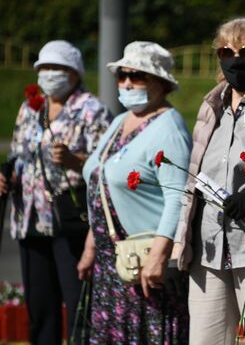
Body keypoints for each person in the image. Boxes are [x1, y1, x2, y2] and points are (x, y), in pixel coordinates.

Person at [172, 17, 245, 345]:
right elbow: (194, 174)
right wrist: (181, 243)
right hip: (208, 246)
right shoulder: (212, 105)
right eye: (226, 51)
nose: (235, 59)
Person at [79, 41, 192, 344]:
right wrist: (91, 246)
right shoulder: (120, 121)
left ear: (161, 82)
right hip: (110, 261)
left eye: (138, 75)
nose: (127, 82)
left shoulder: (169, 128)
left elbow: (178, 197)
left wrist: (158, 256)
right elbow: (100, 185)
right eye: (123, 75)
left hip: (143, 264)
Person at [0, 40, 111, 345]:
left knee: (79, 307)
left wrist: (76, 161)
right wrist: (6, 174)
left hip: (70, 222)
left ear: (74, 73)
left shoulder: (92, 110)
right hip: (30, 220)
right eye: (44, 68)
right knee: (40, 308)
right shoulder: (29, 108)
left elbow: (108, 165)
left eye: (57, 68)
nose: (49, 74)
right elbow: (18, 154)